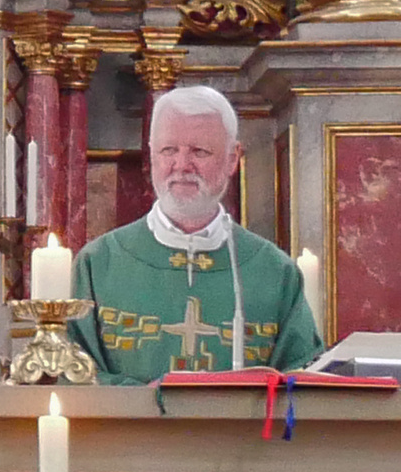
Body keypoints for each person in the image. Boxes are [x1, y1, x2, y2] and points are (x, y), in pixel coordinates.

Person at [71, 84, 320, 383]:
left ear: (232, 158)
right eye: (169, 150)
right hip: (131, 431)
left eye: (199, 151)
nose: (181, 165)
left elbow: (303, 386)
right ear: (151, 155)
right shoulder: (98, 265)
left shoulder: (276, 273)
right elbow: (73, 378)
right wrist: (152, 404)